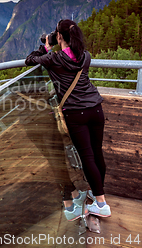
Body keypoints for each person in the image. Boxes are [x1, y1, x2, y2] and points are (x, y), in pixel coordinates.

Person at [25, 19, 110, 221]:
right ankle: (96, 194)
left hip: (76, 113)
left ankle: (101, 203)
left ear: (60, 36)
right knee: (97, 154)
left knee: (87, 157)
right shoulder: (85, 56)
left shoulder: (54, 58)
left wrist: (45, 47)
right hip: (96, 109)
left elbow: (30, 60)